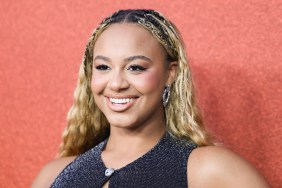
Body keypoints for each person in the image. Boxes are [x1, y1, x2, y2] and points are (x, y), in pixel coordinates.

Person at [32, 9, 270, 188]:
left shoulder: (209, 170)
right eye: (103, 67)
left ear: (170, 73)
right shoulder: (52, 176)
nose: (116, 83)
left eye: (135, 67)